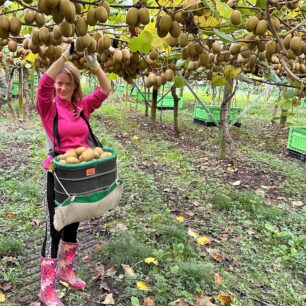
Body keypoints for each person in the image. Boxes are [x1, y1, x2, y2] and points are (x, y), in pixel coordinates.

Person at [36, 45, 111, 306]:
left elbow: (105, 90)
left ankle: (66, 271)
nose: (61, 88)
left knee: (74, 222)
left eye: (67, 84)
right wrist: (65, 57)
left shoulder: (82, 107)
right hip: (58, 175)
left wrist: (95, 65)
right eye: (59, 83)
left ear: (74, 85)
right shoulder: (48, 108)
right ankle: (46, 288)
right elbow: (44, 85)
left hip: (81, 175)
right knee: (55, 227)